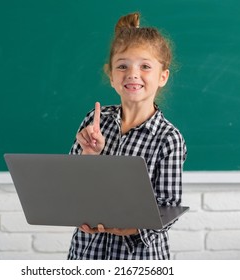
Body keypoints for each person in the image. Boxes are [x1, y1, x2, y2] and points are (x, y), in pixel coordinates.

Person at [67, 12, 187, 260]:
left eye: (145, 66)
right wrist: (90, 155)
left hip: (138, 258)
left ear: (162, 76)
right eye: (122, 66)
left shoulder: (169, 138)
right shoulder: (95, 121)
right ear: (111, 76)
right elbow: (70, 187)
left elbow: (167, 207)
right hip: (87, 253)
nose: (132, 74)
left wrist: (131, 228)